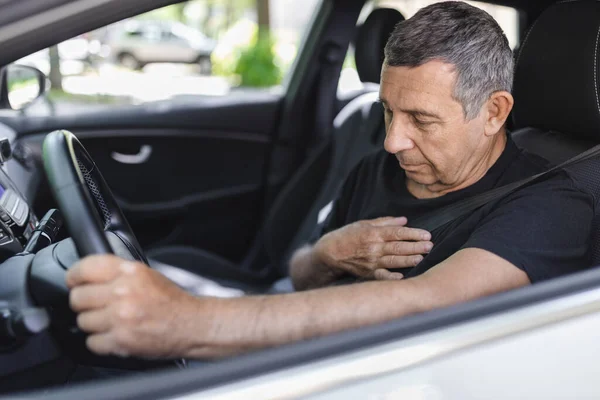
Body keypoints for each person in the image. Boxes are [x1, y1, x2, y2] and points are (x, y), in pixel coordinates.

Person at [65, 1, 593, 359]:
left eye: (421, 120)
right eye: (389, 111)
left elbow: (431, 301)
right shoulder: (378, 168)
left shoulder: (551, 203)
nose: (392, 141)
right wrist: (329, 254)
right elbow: (298, 272)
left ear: (495, 111)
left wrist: (186, 321)